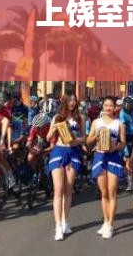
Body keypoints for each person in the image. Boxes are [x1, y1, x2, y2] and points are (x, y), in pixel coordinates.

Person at [46, 93, 86, 241]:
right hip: (58, 151)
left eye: (74, 100)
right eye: (69, 100)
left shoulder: (80, 118)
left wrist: (76, 141)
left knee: (68, 189)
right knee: (58, 190)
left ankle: (64, 221)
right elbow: (48, 138)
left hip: (73, 152)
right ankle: (57, 226)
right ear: (64, 101)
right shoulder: (57, 117)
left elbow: (84, 137)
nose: (72, 102)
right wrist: (54, 129)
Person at [87, 96, 126, 239]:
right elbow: (88, 141)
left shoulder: (119, 123)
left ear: (115, 107)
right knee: (103, 193)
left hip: (113, 157)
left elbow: (123, 143)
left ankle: (110, 224)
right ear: (102, 106)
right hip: (100, 156)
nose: (108, 108)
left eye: (111, 105)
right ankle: (105, 220)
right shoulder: (96, 122)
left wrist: (116, 147)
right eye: (106, 105)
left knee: (112, 191)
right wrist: (96, 136)